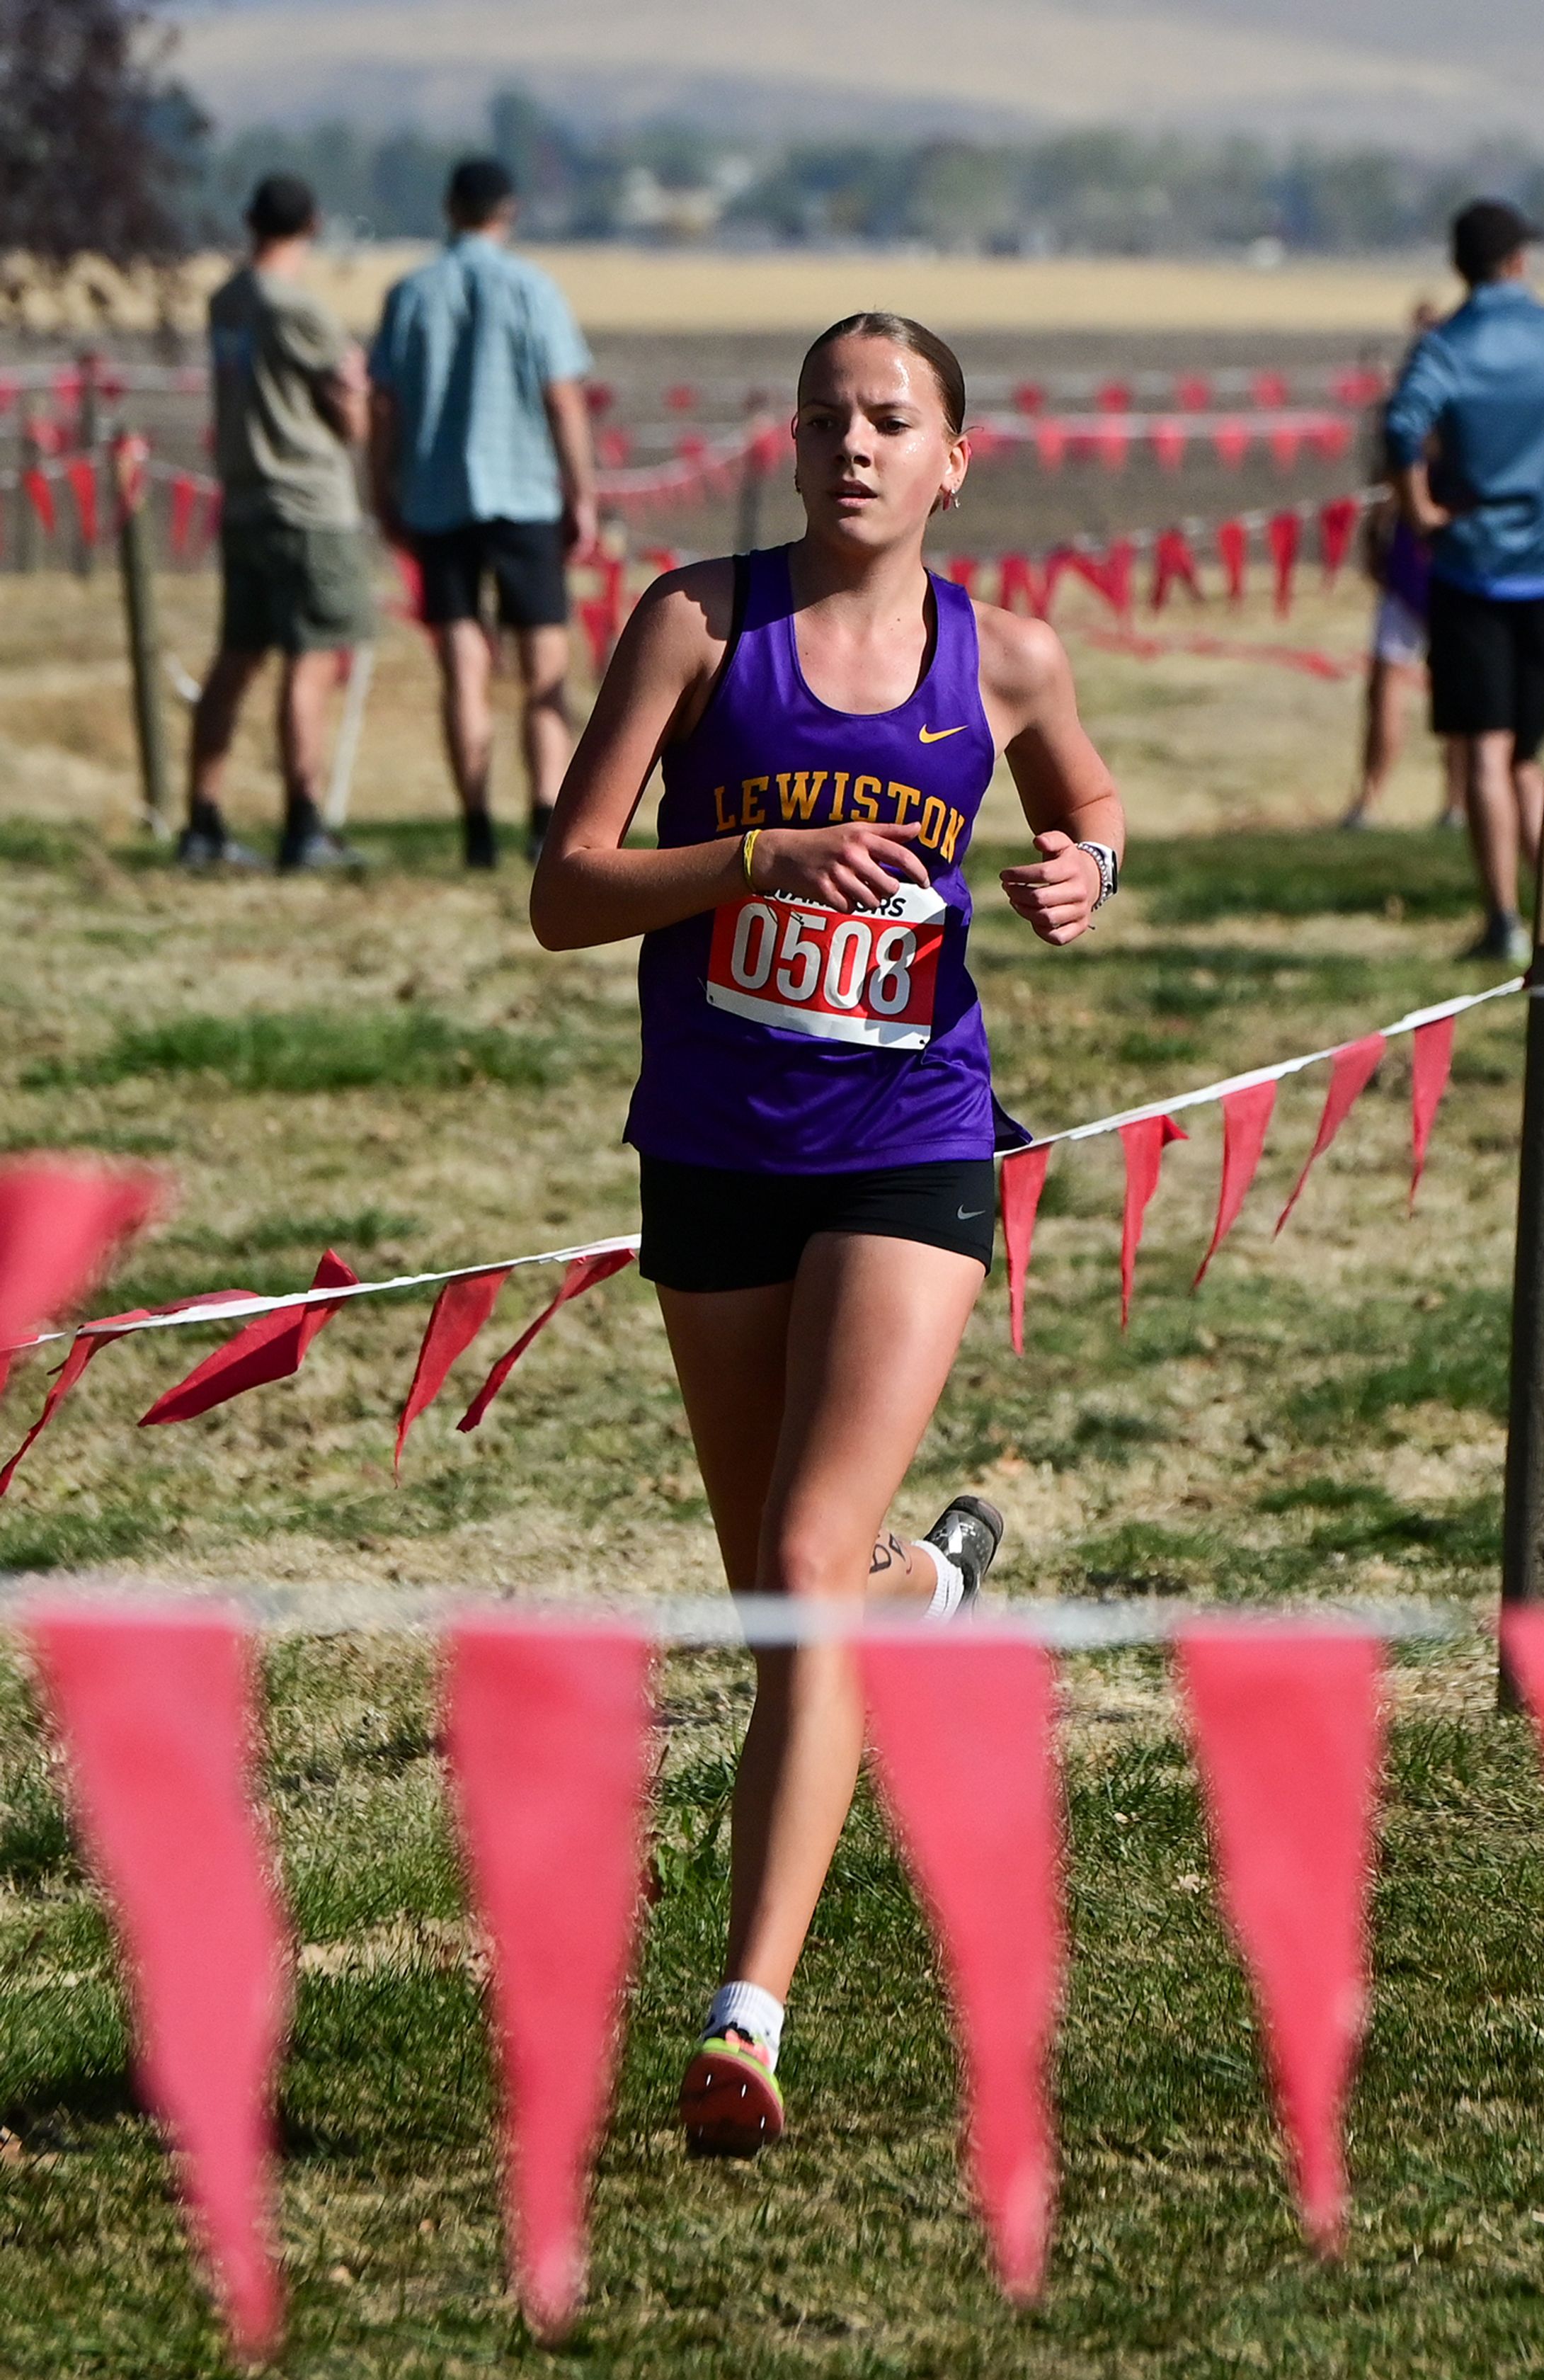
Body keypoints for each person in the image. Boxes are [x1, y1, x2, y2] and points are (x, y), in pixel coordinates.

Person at [529, 312, 1125, 2158]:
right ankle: (932, 1594)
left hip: (913, 1138)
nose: (853, 446)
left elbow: (1088, 805)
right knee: (793, 1608)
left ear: (957, 459)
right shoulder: (701, 629)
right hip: (716, 1151)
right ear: (790, 450)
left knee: (800, 1554)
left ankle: (744, 2017)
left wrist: (1082, 868)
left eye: (892, 420)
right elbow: (563, 891)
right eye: (824, 418)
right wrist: (745, 865)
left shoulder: (1007, 658)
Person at [1384, 199, 1544, 962]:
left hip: (1471, 564)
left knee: (1482, 753)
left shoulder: (1446, 345)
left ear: (1461, 266)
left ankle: (1504, 920)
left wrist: (1419, 509)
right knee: (1526, 753)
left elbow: (1400, 426)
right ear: (1519, 260)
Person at [370, 157, 600, 870]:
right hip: (526, 495)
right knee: (544, 667)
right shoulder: (533, 288)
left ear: (448, 206)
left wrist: (381, 486)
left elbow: (385, 405)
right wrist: (582, 489)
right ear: (511, 209)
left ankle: (474, 827)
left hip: (439, 499)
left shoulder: (410, 291)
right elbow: (563, 398)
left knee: (464, 668)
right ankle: (542, 821)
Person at [181, 173, 373, 875]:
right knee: (310, 660)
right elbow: (348, 418)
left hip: (243, 497)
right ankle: (304, 823)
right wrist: (356, 389)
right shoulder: (298, 307)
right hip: (306, 502)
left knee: (236, 658)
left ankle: (201, 819)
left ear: (250, 221)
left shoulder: (226, 299)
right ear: (313, 225)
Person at [1343, 302, 1442, 831]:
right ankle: (1373, 798)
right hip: (1424, 556)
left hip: (1431, 555)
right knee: (1395, 683)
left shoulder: (1419, 406)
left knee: (1410, 683)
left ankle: (1445, 802)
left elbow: (1394, 475)